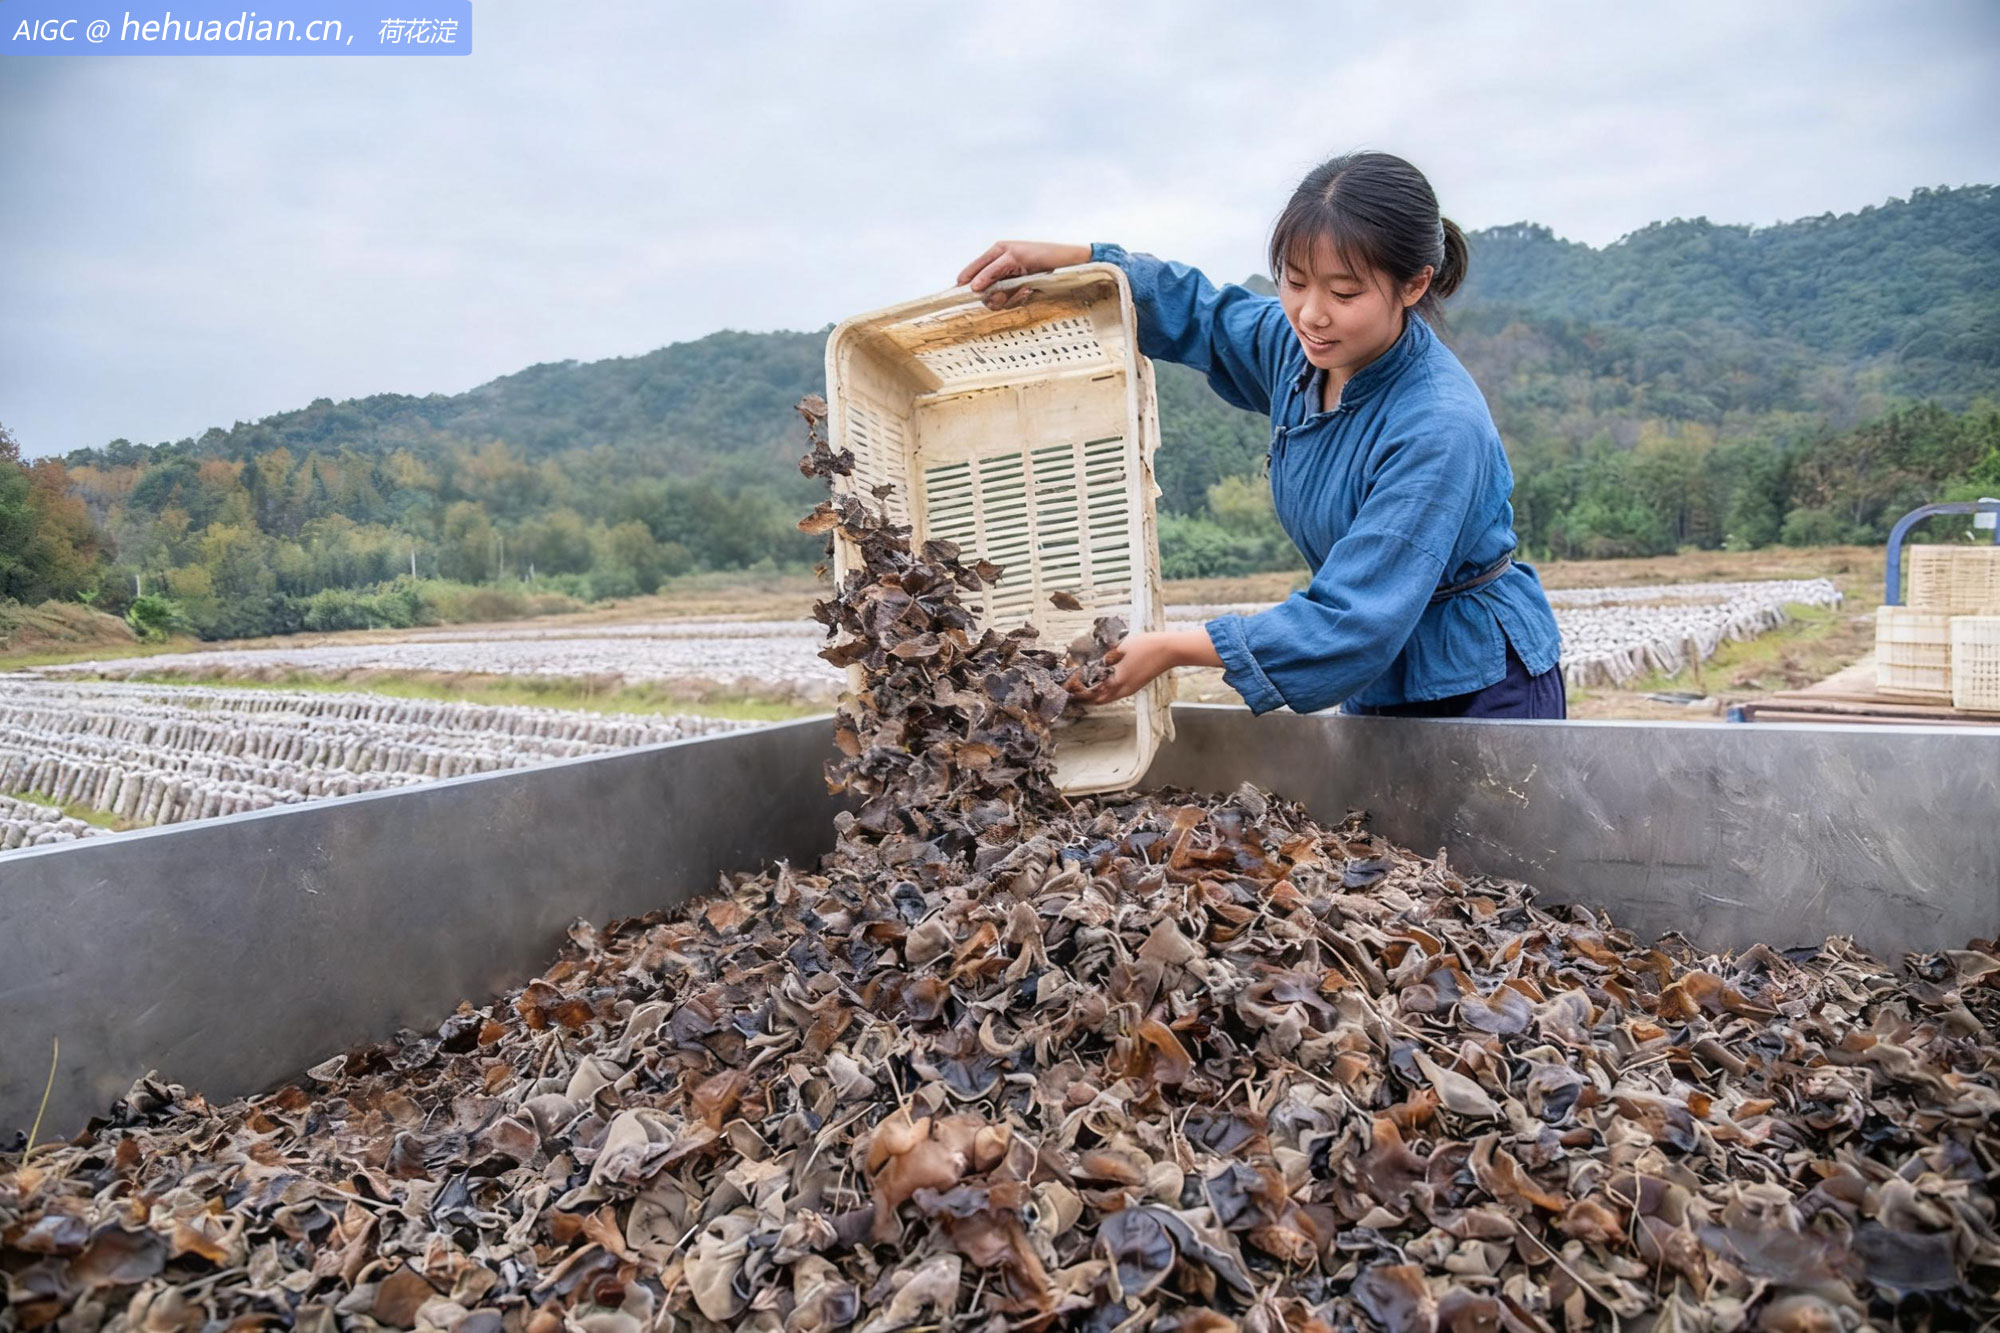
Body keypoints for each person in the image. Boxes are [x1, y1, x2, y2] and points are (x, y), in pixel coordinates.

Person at [954, 150, 1565, 720]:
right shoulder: (1300, 350)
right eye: (1295, 282)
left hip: (1479, 684)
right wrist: (1081, 261)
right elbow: (1201, 314)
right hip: (1382, 675)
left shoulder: (1436, 426)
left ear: (1413, 285)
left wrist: (1170, 649)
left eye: (1344, 292)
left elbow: (1355, 622)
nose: (1311, 314)